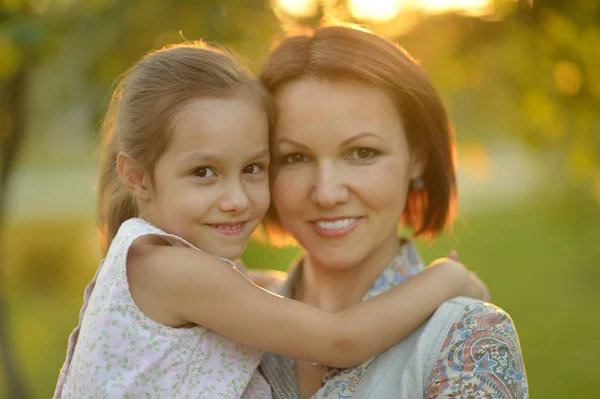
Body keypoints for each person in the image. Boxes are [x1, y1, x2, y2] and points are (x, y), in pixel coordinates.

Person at [52, 42, 488, 398]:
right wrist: (447, 276)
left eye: (253, 168)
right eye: (203, 172)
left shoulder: (464, 338)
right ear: (137, 177)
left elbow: (235, 288)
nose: (237, 200)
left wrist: (269, 284)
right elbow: (341, 341)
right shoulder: (171, 271)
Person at [258, 25, 528, 399]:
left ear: (417, 157)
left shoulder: (467, 336)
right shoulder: (223, 324)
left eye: (362, 152)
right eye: (295, 157)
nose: (327, 193)